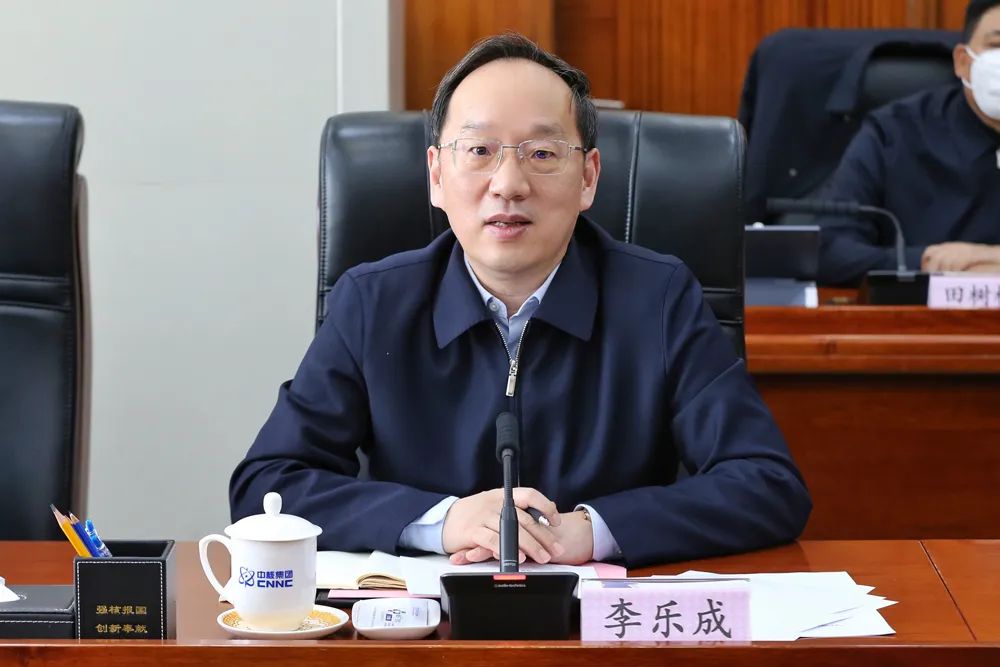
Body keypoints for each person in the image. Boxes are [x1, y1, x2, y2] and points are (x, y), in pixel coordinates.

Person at [230, 34, 810, 567]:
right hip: (429, 626)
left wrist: (595, 530)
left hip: (597, 623)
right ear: (436, 175)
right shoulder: (373, 303)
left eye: (542, 153)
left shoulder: (658, 300)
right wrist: (441, 522)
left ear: (588, 178)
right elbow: (267, 486)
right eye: (479, 149)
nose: (508, 184)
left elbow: (767, 484)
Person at [817, 0, 1000, 286]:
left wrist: (987, 257)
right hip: (916, 311)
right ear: (963, 62)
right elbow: (828, 250)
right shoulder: (894, 132)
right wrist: (929, 263)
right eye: (996, 45)